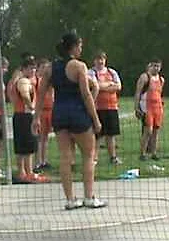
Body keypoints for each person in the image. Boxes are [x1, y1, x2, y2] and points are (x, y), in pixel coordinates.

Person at [32, 32, 106, 210]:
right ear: (73, 47)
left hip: (59, 113)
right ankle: (89, 197)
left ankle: (70, 199)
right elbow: (86, 94)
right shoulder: (78, 66)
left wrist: (36, 117)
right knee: (89, 155)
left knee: (65, 157)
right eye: (80, 45)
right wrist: (96, 119)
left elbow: (41, 94)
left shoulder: (50, 68)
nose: (81, 48)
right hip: (77, 112)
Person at [10, 59, 49, 183]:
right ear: (24, 69)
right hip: (24, 115)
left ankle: (26, 172)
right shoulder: (23, 81)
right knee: (27, 146)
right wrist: (31, 106)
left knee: (26, 146)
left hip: (22, 115)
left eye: (34, 68)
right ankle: (25, 172)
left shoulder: (23, 80)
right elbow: (25, 94)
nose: (33, 71)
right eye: (30, 68)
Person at [88, 51, 122, 165]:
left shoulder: (112, 72)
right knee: (97, 135)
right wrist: (109, 85)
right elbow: (94, 86)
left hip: (112, 107)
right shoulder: (91, 72)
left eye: (102, 59)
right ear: (94, 61)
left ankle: (113, 157)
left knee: (111, 135)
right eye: (98, 59)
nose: (100, 61)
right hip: (97, 108)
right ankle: (94, 158)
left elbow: (118, 86)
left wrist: (102, 86)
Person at [134, 59, 165, 161]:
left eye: (158, 66)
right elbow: (138, 92)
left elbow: (160, 93)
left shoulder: (161, 79)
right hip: (147, 107)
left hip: (158, 108)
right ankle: (142, 153)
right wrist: (136, 107)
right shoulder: (145, 77)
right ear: (149, 66)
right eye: (154, 66)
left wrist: (162, 104)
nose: (156, 68)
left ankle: (154, 153)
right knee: (148, 131)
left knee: (156, 131)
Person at [35, 58, 54, 171]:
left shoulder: (50, 81)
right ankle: (37, 162)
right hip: (41, 110)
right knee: (39, 137)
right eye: (43, 67)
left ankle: (44, 160)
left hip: (49, 109)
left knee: (45, 137)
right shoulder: (36, 80)